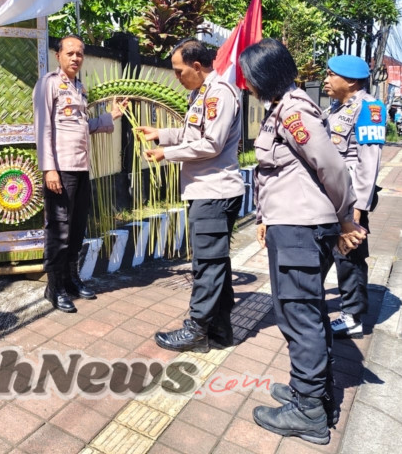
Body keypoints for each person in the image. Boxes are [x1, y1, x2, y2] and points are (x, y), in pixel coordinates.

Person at [239, 39, 366, 444]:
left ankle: (309, 411)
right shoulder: (283, 106)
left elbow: (331, 166)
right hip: (290, 224)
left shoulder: (293, 111)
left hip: (299, 228)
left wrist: (347, 217)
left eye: (250, 76)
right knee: (302, 312)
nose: (247, 83)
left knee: (299, 315)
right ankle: (311, 392)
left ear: (265, 75)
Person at [138, 38, 244, 353]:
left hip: (215, 190)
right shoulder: (201, 94)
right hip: (204, 190)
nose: (177, 77)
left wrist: (166, 153)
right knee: (215, 262)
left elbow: (211, 144)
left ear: (197, 67)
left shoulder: (220, 94)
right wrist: (162, 134)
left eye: (179, 71)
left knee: (207, 265)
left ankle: (196, 330)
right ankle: (221, 331)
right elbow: (192, 134)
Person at [33, 35, 126, 313]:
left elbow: (82, 127)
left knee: (76, 228)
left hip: (81, 168)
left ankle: (72, 279)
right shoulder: (49, 84)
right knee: (59, 229)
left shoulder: (78, 88)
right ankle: (55, 287)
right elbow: (43, 128)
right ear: (58, 56)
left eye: (80, 54)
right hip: (60, 170)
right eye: (70, 53)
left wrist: (111, 116)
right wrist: (49, 168)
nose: (75, 58)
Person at [322, 55, 385, 339]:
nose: (325, 79)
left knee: (349, 255)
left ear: (350, 80)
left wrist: (358, 207)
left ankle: (353, 317)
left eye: (331, 75)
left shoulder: (369, 108)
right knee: (329, 251)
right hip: (329, 195)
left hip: (350, 198)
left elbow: (368, 163)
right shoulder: (335, 108)